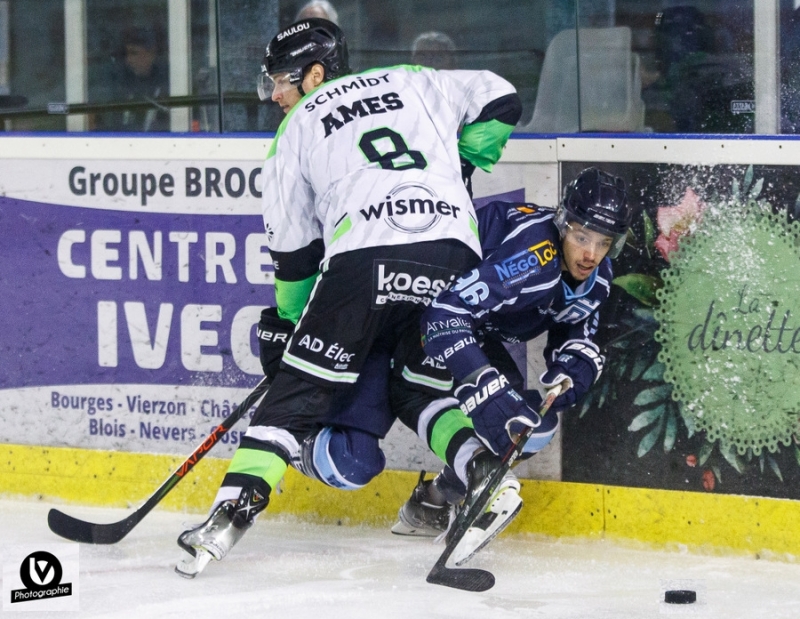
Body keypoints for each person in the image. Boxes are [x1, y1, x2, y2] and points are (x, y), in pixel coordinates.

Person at [175, 17, 522, 578]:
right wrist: (462, 166)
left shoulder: (296, 129)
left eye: (282, 81)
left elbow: (293, 255)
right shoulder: (411, 79)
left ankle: (228, 517)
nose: (276, 95)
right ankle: (484, 472)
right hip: (453, 253)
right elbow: (501, 98)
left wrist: (294, 326)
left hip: (364, 258)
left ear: (315, 74)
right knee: (416, 387)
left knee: (296, 394)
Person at [389, 168, 634, 556]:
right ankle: (456, 487)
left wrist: (574, 365)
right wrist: (480, 383)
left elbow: (575, 326)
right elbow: (443, 315)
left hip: (472, 326)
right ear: (563, 223)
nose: (591, 254)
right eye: (582, 237)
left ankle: (435, 501)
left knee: (526, 427)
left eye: (604, 242)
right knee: (429, 395)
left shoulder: (598, 276)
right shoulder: (533, 257)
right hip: (420, 307)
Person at [95, 26, 169, 132]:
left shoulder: (169, 86)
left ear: (151, 53)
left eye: (134, 53)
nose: (128, 60)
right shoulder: (121, 85)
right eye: (127, 54)